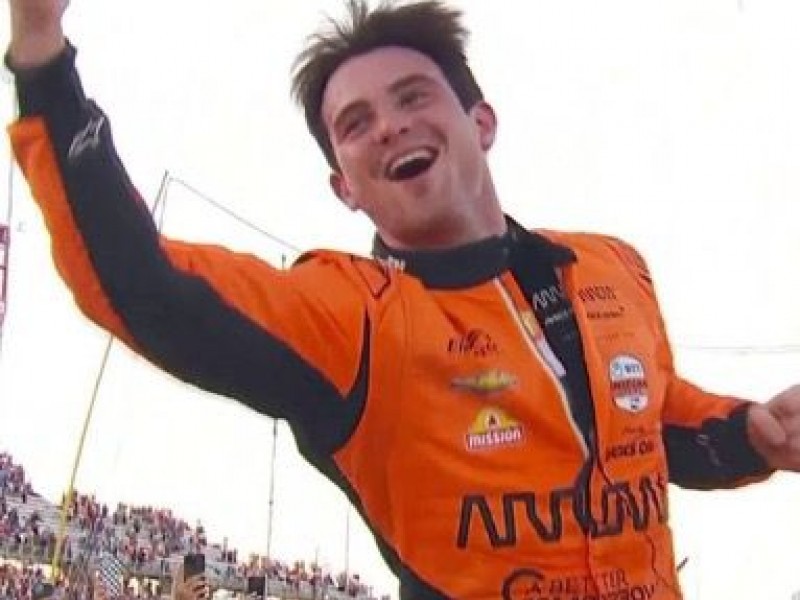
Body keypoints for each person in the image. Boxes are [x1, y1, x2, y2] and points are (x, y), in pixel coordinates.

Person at [5, 0, 800, 598]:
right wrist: (42, 53)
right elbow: (142, 286)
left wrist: (751, 433)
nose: (388, 126)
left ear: (480, 121)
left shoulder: (614, 266)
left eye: (414, 97)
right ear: (344, 187)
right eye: (355, 124)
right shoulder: (350, 319)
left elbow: (649, 420)